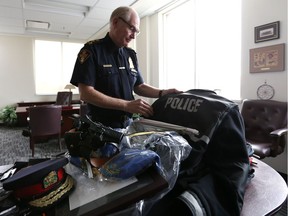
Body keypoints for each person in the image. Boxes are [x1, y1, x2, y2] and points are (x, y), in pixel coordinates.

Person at [70, 6, 180, 129]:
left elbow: (139, 86)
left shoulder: (130, 55)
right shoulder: (92, 51)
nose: (134, 36)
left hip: (128, 125)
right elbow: (86, 93)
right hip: (101, 128)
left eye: (136, 31)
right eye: (131, 28)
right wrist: (126, 105)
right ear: (116, 22)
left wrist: (162, 93)